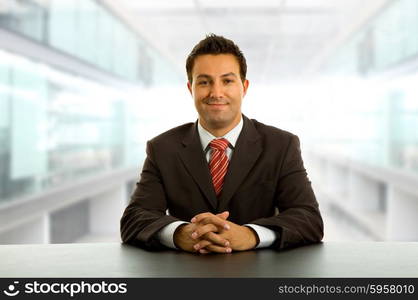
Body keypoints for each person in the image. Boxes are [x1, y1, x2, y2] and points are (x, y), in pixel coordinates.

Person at [120, 34, 323, 254]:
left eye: (227, 81)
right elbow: (134, 218)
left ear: (244, 87)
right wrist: (180, 234)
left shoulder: (281, 145)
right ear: (191, 89)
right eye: (204, 82)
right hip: (185, 276)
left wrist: (251, 235)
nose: (216, 93)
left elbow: (308, 218)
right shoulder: (163, 148)